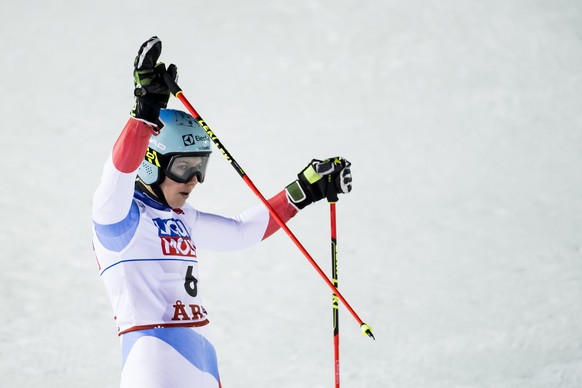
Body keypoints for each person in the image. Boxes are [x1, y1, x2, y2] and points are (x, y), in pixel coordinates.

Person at [91, 36, 353, 388]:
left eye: (201, 167)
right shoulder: (118, 219)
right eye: (184, 167)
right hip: (151, 359)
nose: (195, 180)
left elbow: (241, 231)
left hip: (201, 356)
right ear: (151, 163)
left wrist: (304, 190)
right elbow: (118, 172)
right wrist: (145, 112)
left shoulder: (184, 218)